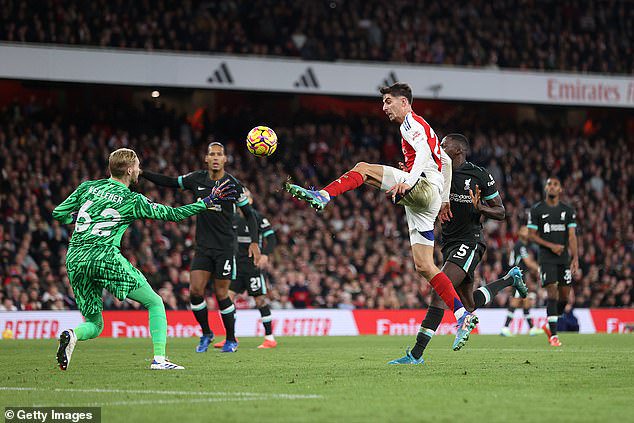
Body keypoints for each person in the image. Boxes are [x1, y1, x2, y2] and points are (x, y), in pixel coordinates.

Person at [284, 82, 478, 354]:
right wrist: (444, 199)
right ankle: (462, 315)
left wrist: (409, 181)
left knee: (363, 169)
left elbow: (423, 154)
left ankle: (324, 195)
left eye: (388, 101)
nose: (384, 107)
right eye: (383, 102)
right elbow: (444, 162)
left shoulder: (411, 124)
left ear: (405, 103)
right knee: (424, 266)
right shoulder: (419, 127)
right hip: (428, 199)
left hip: (420, 189)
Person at [52, 148, 236, 370]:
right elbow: (173, 215)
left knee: (94, 324)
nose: (140, 170)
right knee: (154, 302)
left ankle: (71, 334)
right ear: (129, 170)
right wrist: (205, 202)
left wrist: (78, 219)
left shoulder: (88, 187)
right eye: (138, 166)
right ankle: (159, 359)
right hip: (103, 256)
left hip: (75, 258)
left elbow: (58, 213)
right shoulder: (132, 199)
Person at [393, 134, 527, 364]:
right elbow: (419, 188)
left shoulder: (479, 175)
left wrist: (480, 207)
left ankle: (416, 354)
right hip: (449, 242)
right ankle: (510, 279)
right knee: (469, 303)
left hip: (470, 241)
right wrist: (410, 173)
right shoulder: (436, 171)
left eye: (444, 145)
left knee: (439, 292)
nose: (440, 147)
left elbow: (502, 212)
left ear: (458, 151)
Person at [141, 142, 261, 353]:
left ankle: (231, 339)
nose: (215, 157)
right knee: (195, 292)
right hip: (203, 247)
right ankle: (206, 333)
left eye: (219, 154)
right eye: (211, 154)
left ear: (225, 160)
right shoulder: (196, 179)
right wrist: (143, 173)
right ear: (206, 159)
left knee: (221, 294)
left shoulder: (233, 185)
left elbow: (250, 215)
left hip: (225, 247)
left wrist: (253, 242)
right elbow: (169, 182)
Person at [214, 188, 278, 349]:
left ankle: (270, 338)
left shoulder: (258, 218)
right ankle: (230, 337)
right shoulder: (232, 218)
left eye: (245, 196)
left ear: (250, 200)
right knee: (226, 299)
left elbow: (271, 238)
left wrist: (265, 255)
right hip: (236, 267)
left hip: (252, 267)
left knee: (259, 300)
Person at [527, 176, 578, 347]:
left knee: (564, 295)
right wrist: (551, 245)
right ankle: (554, 336)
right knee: (552, 293)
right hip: (547, 258)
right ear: (546, 188)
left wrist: (575, 258)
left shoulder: (568, 211)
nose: (552, 187)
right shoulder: (537, 210)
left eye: (555, 184)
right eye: (549, 184)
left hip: (564, 258)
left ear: (560, 189)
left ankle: (550, 324)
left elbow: (572, 236)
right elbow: (531, 235)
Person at [500, 226, 541, 337]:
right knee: (516, 301)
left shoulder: (522, 245)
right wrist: (540, 269)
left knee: (525, 301)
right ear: (519, 232)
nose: (527, 232)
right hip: (517, 276)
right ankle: (505, 327)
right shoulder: (520, 245)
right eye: (524, 230)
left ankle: (532, 328)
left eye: (528, 231)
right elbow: (528, 262)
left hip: (519, 276)